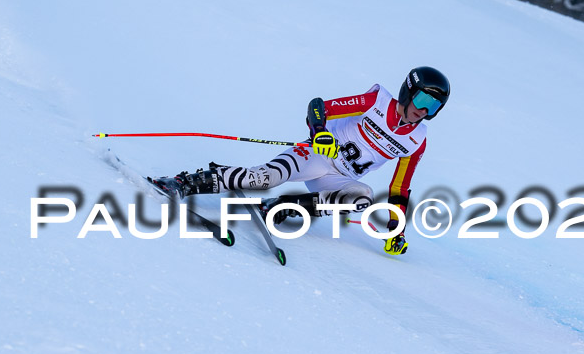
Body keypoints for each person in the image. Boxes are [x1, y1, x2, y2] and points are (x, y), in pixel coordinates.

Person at [151, 66, 451, 255]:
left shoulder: (416, 140)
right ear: (407, 92)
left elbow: (400, 187)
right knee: (263, 178)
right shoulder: (377, 102)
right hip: (316, 156)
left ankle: (279, 207)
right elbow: (319, 106)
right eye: (423, 100)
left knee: (362, 197)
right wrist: (319, 131)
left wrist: (396, 228)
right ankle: (182, 182)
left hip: (337, 179)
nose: (424, 111)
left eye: (434, 106)